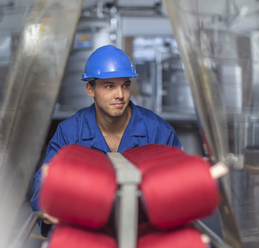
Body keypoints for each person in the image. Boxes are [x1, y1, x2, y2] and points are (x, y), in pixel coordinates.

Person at [30, 45, 182, 236]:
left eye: (125, 85)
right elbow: (45, 181)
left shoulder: (158, 130)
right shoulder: (71, 132)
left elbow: (179, 184)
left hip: (144, 232)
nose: (120, 94)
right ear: (90, 90)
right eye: (110, 86)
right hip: (87, 231)